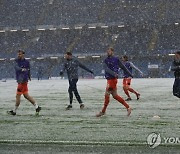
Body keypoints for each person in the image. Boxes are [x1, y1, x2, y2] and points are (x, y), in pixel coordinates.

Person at [96, 47, 133, 117]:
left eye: (109, 51)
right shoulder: (106, 60)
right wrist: (114, 73)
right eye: (107, 51)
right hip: (110, 79)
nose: (107, 52)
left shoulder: (116, 59)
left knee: (107, 95)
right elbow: (106, 69)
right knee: (115, 96)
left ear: (112, 52)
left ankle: (103, 111)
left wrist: (130, 74)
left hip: (112, 80)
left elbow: (123, 67)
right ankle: (128, 107)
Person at [7, 50, 41, 115]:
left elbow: (28, 69)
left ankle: (14, 111)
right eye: (18, 54)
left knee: (18, 96)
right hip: (20, 80)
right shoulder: (16, 61)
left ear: (23, 55)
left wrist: (29, 76)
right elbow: (16, 67)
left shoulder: (26, 62)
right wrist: (21, 69)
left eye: (20, 54)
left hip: (22, 81)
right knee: (26, 96)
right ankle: (37, 107)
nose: (18, 55)